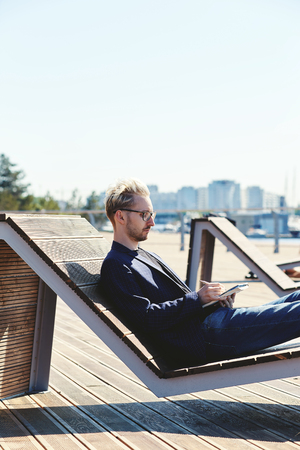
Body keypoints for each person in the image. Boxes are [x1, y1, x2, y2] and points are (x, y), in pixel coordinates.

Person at [100, 178, 300, 367]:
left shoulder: (144, 255)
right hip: (205, 336)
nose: (151, 222)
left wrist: (211, 303)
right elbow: (146, 318)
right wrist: (198, 299)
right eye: (144, 215)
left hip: (210, 324)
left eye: (152, 214)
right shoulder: (116, 264)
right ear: (121, 216)